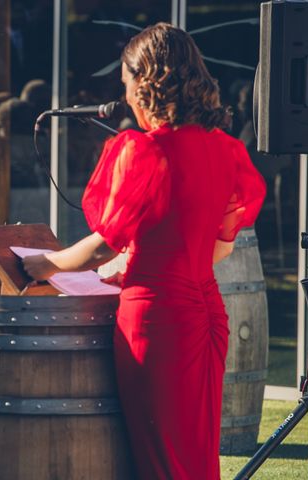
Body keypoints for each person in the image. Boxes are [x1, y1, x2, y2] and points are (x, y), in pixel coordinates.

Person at [23, 23, 266, 479]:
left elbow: (103, 243)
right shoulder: (226, 151)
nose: (127, 95)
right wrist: (141, 260)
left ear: (146, 83)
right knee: (195, 460)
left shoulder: (143, 151)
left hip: (157, 322)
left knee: (158, 462)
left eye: (127, 83)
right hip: (207, 313)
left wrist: (44, 263)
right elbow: (216, 249)